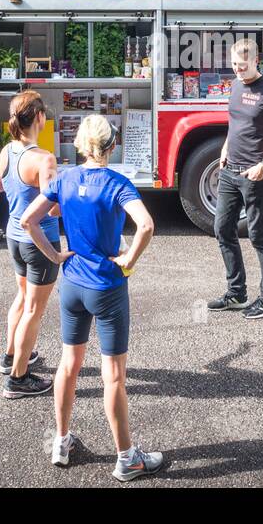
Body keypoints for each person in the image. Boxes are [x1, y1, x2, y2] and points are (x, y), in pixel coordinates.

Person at [21, 114, 163, 481]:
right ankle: (127, 458)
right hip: (107, 286)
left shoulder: (63, 178)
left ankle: (62, 441)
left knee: (69, 365)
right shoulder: (117, 183)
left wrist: (54, 256)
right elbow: (146, 225)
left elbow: (29, 221)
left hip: (71, 285)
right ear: (112, 145)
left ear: (79, 144)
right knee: (113, 375)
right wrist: (129, 259)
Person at [207, 38, 263, 320]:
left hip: (255, 174)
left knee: (258, 236)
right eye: (234, 65)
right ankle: (237, 293)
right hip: (230, 171)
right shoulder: (234, 85)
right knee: (223, 230)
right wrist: (223, 149)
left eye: (243, 66)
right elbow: (236, 124)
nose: (238, 71)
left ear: (257, 61)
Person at [0, 90, 60, 399]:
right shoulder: (44, 159)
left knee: (21, 299)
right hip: (39, 241)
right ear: (39, 118)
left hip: (14, 239)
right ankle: (18, 379)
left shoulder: (7, 150)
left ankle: (11, 357)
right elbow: (52, 207)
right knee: (34, 309)